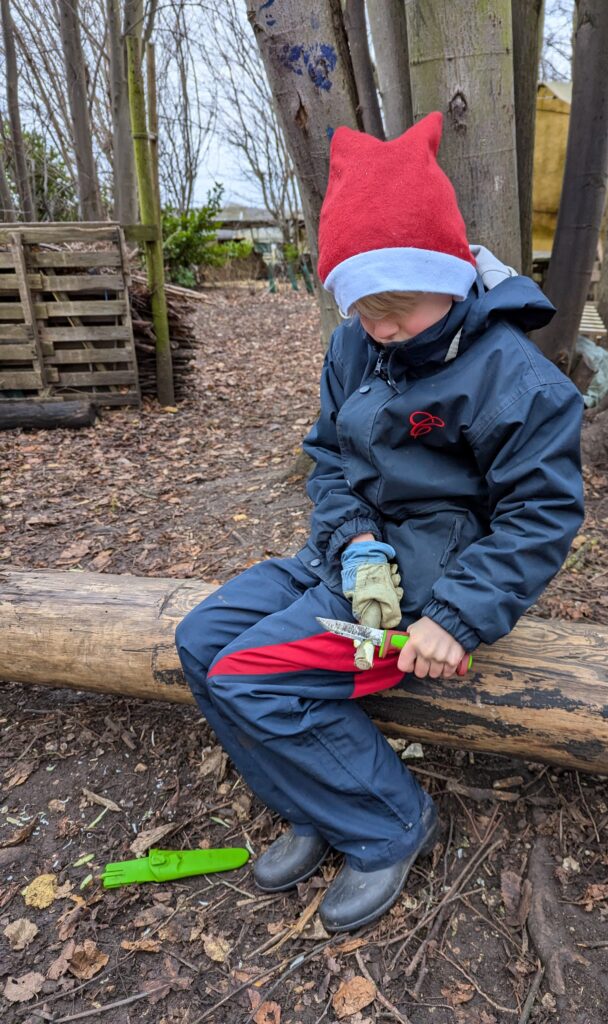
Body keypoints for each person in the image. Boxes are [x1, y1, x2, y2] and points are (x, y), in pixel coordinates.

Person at [174, 111, 584, 933]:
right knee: (199, 639)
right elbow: (329, 458)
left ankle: (387, 824)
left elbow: (542, 512)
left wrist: (458, 618)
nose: (379, 328)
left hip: (434, 585)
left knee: (251, 675)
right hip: (352, 560)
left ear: (453, 276)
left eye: (397, 307)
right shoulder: (356, 347)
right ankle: (314, 802)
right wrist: (353, 538)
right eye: (362, 308)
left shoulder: (512, 377)